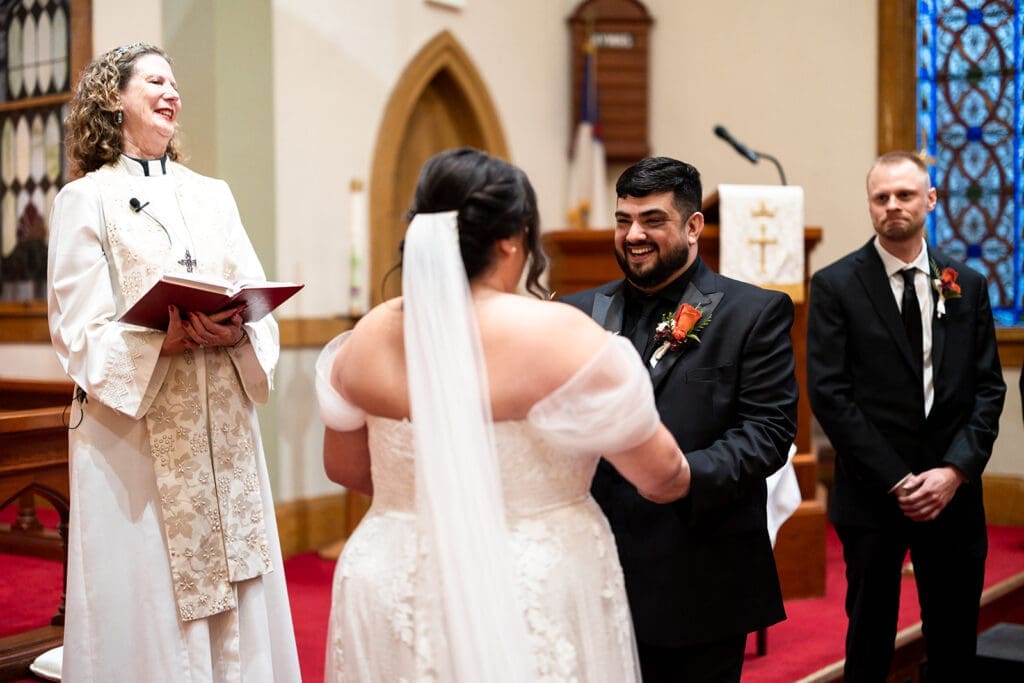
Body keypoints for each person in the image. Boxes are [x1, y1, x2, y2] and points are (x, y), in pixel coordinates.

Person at [315, 147, 690, 682]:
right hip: (526, 576)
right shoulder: (559, 335)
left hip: (393, 573)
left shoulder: (369, 335)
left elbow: (346, 469)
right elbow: (660, 476)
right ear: (513, 238)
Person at [47, 43, 301, 681]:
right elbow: (77, 329)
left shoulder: (213, 194)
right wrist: (161, 339)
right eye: (155, 80)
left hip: (223, 427)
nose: (172, 93)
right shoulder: (86, 199)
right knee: (152, 587)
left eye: (175, 83)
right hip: (137, 442)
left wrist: (236, 329)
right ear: (114, 97)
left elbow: (253, 291)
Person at [562, 156, 797, 682]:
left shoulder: (751, 313)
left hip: (698, 575)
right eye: (623, 221)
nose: (633, 235)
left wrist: (685, 476)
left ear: (693, 227)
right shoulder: (575, 314)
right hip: (594, 572)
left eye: (652, 220)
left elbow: (769, 432)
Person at [807, 151, 1005, 682]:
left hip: (952, 492)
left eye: (905, 195)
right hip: (874, 493)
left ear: (930, 200)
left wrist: (955, 471)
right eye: (881, 197)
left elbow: (988, 388)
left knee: (954, 637)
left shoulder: (967, 283)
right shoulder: (836, 285)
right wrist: (896, 479)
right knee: (869, 637)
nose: (892, 205)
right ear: (870, 204)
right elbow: (830, 394)